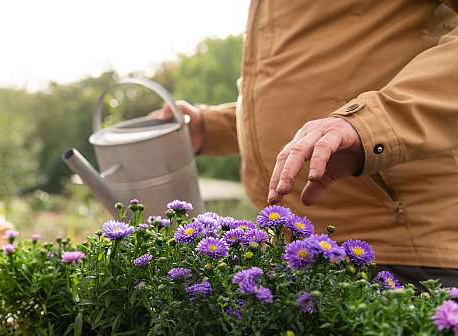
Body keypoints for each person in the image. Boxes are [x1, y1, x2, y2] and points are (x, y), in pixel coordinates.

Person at [158, 1, 458, 287]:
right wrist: (210, 128)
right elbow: (302, 88)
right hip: (301, 251)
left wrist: (369, 125)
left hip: (402, 247)